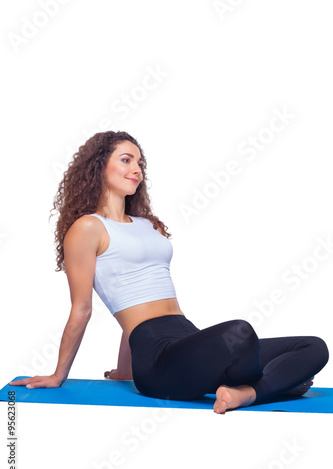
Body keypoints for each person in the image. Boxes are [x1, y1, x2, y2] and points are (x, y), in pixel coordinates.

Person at [9, 131, 329, 414]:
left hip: (187, 341)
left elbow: (139, 289)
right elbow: (83, 307)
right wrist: (57, 375)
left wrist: (122, 370)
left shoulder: (147, 225)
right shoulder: (87, 228)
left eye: (140, 163)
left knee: (313, 347)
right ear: (98, 165)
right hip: (157, 360)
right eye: (126, 159)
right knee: (240, 333)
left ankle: (247, 392)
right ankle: (276, 383)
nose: (136, 169)